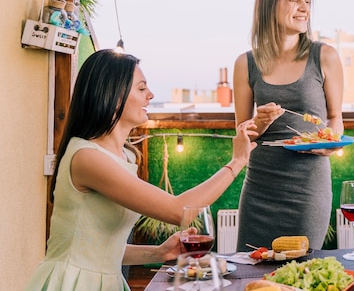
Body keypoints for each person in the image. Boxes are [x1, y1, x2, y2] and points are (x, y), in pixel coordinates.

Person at [25, 49, 257, 290]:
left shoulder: (123, 156)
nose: (151, 95)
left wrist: (158, 252)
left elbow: (99, 248)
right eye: (142, 88)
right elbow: (179, 211)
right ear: (113, 95)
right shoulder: (87, 158)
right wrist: (236, 162)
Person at [233, 0, 344, 251]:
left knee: (301, 273)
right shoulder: (245, 64)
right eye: (294, 0)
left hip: (307, 190)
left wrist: (330, 143)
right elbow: (243, 135)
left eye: (307, 0)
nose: (304, 8)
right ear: (270, 4)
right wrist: (257, 122)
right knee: (252, 272)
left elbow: (335, 119)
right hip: (259, 188)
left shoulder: (325, 56)